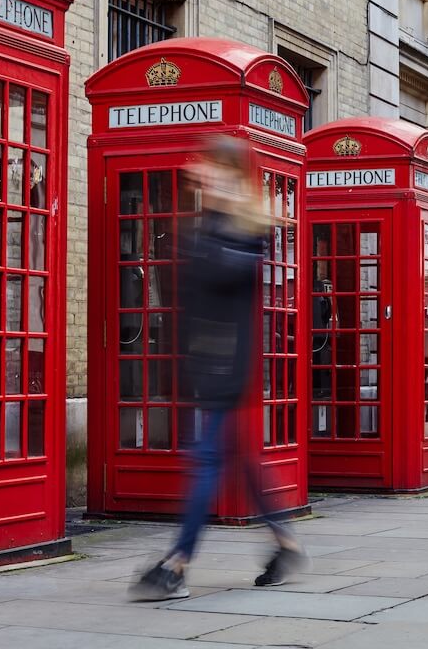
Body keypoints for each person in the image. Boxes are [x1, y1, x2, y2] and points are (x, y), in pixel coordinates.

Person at [129, 134, 308, 602]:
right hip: (204, 364)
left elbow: (223, 280)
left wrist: (218, 219)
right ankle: (284, 543)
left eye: (206, 164)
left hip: (226, 367)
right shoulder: (213, 221)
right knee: (242, 464)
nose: (196, 169)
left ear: (228, 172)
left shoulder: (244, 228)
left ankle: (177, 564)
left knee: (205, 463)